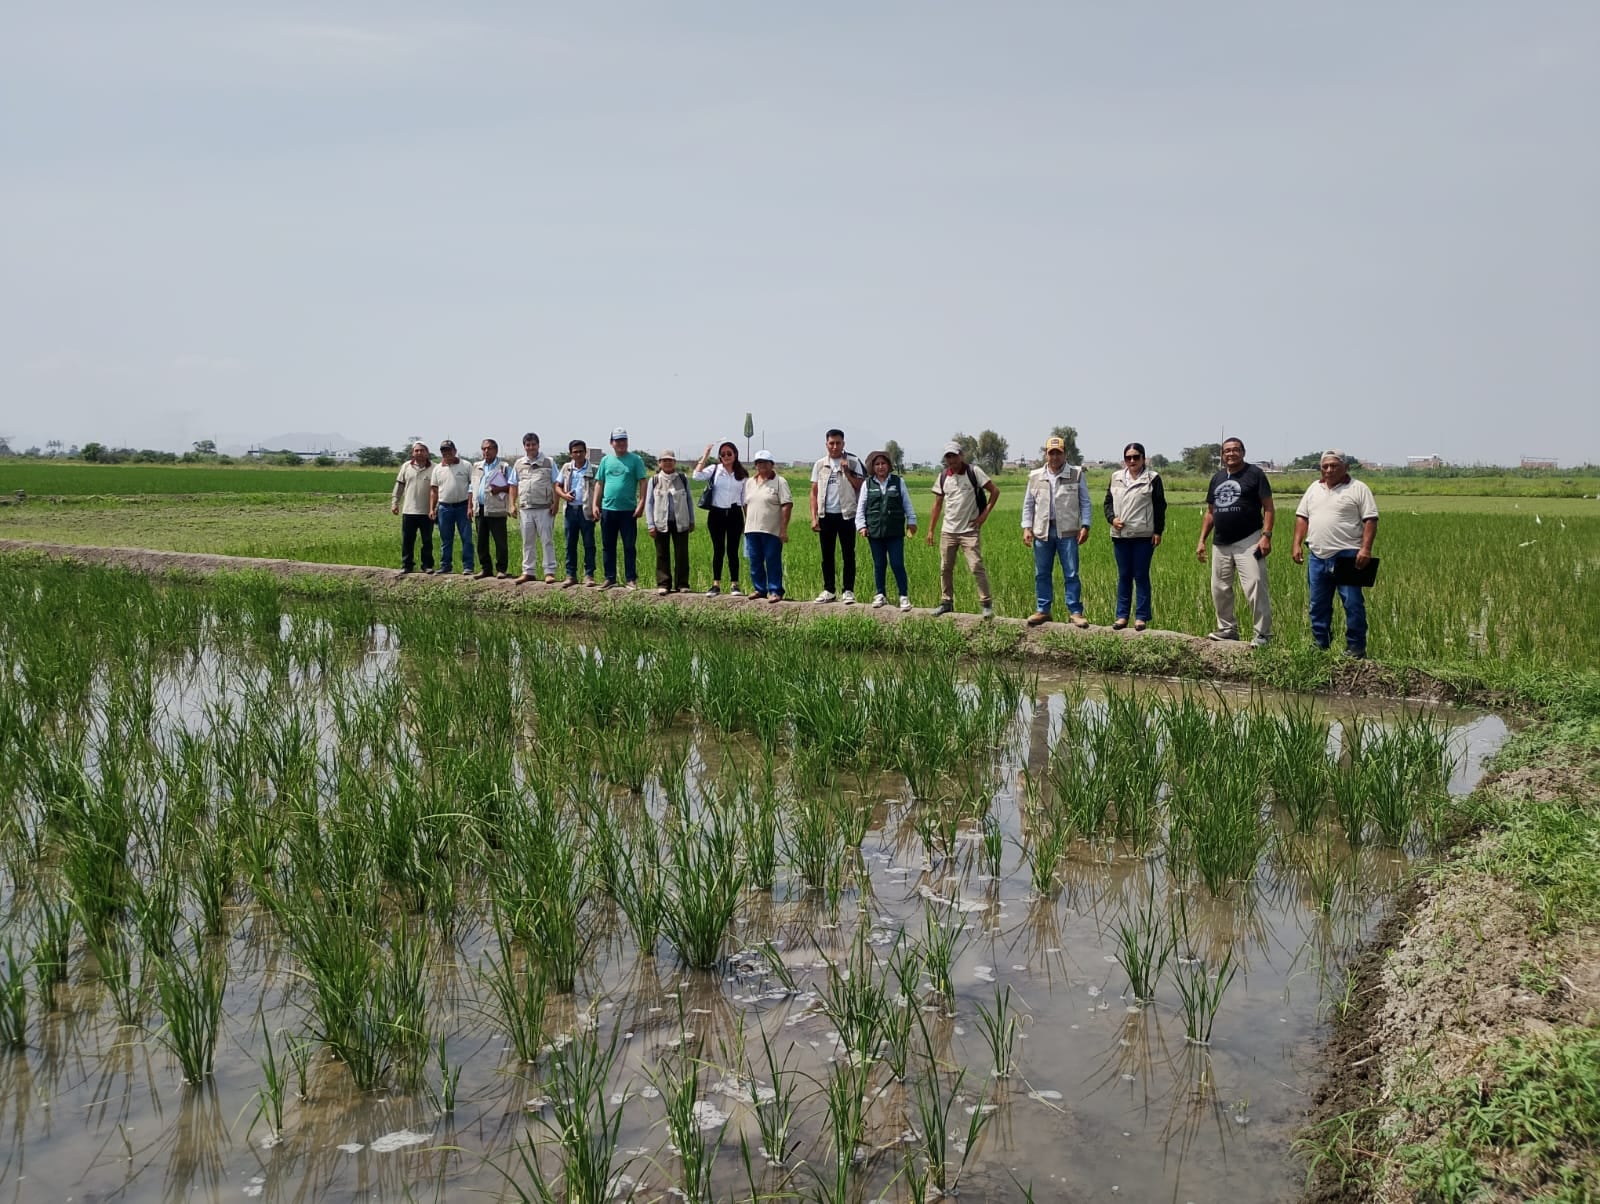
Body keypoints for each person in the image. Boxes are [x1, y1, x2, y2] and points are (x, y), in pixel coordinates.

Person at [1292, 450, 1379, 657]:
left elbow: (1370, 520)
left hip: (1348, 556)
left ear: (1345, 468)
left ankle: (1356, 647)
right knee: (1317, 604)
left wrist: (1365, 549)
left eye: (1334, 466)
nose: (1329, 470)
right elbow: (1302, 517)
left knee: (1352, 603)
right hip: (1317, 555)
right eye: (1325, 466)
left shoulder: (1358, 488)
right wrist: (1296, 544)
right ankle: (1320, 644)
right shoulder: (1314, 488)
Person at [1196, 437, 1274, 646]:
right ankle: (1227, 629)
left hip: (1249, 540)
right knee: (1219, 587)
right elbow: (1211, 513)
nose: (1231, 454)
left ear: (1243, 452)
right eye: (1227, 451)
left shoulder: (1255, 474)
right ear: (1222, 455)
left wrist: (1266, 536)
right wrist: (1202, 540)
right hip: (1220, 542)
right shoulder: (1218, 478)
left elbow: (1268, 507)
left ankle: (1263, 634)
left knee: (1255, 584)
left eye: (1235, 450)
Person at [1021, 436, 1092, 628]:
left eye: (1058, 453)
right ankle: (1043, 610)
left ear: (1065, 454)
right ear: (1046, 454)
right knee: (1042, 573)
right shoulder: (1035, 476)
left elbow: (1085, 502)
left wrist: (1085, 525)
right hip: (1042, 531)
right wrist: (1026, 527)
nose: (1054, 457)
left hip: (1067, 532)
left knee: (1071, 573)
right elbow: (1028, 504)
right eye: (1051, 453)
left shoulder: (1076, 474)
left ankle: (1075, 612)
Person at [927, 441, 1000, 618]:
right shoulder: (944, 476)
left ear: (961, 455)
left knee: (976, 565)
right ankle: (946, 602)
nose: (951, 460)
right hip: (948, 530)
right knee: (945, 567)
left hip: (969, 529)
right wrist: (930, 530)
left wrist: (984, 516)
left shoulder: (974, 472)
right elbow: (937, 505)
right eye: (948, 457)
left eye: (954, 455)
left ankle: (986, 604)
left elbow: (994, 491)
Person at [1104, 442, 1167, 630]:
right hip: (1120, 535)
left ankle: (1141, 617)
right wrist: (1112, 519)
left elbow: (1160, 506)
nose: (1132, 461)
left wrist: (1158, 531)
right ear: (1124, 460)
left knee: (1140, 575)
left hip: (1143, 535)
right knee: (1124, 575)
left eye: (1136, 457)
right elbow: (1107, 502)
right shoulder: (1116, 477)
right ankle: (1121, 616)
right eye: (1128, 457)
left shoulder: (1152, 478)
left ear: (1143, 459)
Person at [854, 449, 916, 610]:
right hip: (874, 531)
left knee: (897, 563)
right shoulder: (868, 484)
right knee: (879, 564)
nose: (880, 467)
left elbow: (907, 504)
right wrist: (861, 526)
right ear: (872, 467)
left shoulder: (898, 482)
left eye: (883, 463)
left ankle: (903, 596)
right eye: (877, 464)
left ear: (889, 466)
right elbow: (861, 507)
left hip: (894, 531)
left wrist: (912, 521)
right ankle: (880, 594)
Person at [809, 429, 866, 604]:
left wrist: (847, 472)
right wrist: (813, 516)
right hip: (826, 515)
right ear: (826, 444)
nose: (835, 446)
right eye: (831, 443)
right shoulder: (820, 464)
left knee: (848, 554)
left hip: (847, 515)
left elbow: (861, 487)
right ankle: (829, 590)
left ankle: (848, 590)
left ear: (843, 444)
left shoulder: (853, 462)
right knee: (827, 555)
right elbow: (814, 491)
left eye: (838, 443)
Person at [592, 428, 648, 590]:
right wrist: (596, 504)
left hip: (628, 510)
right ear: (612, 443)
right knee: (608, 545)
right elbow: (599, 483)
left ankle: (631, 579)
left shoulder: (635, 460)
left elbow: (643, 482)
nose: (621, 443)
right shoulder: (606, 461)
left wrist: (641, 503)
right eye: (618, 440)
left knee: (629, 545)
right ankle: (610, 578)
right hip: (608, 509)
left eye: (624, 440)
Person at [693, 441, 747, 597]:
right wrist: (706, 455)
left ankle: (735, 584)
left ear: (735, 454)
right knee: (718, 549)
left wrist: (747, 519)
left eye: (729, 453)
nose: (726, 457)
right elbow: (696, 476)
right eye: (722, 454)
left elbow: (744, 500)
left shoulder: (741, 474)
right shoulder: (715, 469)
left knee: (732, 550)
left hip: (735, 514)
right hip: (716, 514)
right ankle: (716, 584)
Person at [742, 450, 792, 603]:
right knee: (755, 560)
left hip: (772, 530)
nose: (761, 465)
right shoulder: (750, 482)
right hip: (752, 529)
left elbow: (787, 505)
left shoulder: (779, 481)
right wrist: (747, 523)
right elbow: (745, 505)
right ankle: (759, 589)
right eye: (758, 462)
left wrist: (783, 529)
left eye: (765, 462)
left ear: (772, 464)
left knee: (772, 560)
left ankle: (775, 590)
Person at [511, 432, 559, 584]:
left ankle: (549, 572)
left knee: (547, 540)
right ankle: (528, 571)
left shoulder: (549, 462)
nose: (531, 447)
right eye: (528, 445)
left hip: (544, 507)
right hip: (526, 508)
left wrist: (556, 503)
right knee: (527, 541)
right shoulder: (519, 464)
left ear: (538, 445)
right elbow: (513, 484)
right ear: (524, 446)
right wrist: (512, 504)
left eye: (533, 444)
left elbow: (556, 484)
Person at [645, 450, 695, 594]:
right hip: (661, 522)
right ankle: (664, 584)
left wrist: (691, 520)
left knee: (682, 554)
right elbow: (649, 503)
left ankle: (682, 584)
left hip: (681, 522)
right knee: (662, 554)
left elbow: (689, 500)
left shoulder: (682, 478)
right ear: (659, 463)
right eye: (664, 460)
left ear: (675, 462)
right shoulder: (654, 480)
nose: (667, 463)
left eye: (670, 460)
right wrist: (650, 524)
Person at [555, 438, 598, 587]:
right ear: (570, 454)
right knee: (570, 544)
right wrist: (564, 495)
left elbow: (599, 489)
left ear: (586, 453)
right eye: (575, 452)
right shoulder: (567, 468)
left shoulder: (593, 469)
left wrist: (596, 507)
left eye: (581, 451)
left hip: (586, 510)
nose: (578, 454)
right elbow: (557, 486)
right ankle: (570, 575)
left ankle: (589, 575)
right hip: (570, 510)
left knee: (589, 544)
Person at [429, 439, 475, 576]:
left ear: (455, 451)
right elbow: (434, 490)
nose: (447, 453)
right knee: (446, 539)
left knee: (466, 538)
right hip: (444, 508)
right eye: (444, 451)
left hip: (462, 506)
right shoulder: (437, 468)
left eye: (449, 450)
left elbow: (472, 487)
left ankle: (468, 566)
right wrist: (432, 508)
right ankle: (445, 565)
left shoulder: (466, 465)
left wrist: (470, 506)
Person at [470, 438, 514, 579]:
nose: (486, 451)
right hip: (480, 508)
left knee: (500, 541)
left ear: (496, 450)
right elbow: (472, 487)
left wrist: (500, 488)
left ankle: (501, 569)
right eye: (484, 449)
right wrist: (469, 506)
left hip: (496, 508)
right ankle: (485, 568)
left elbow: (513, 485)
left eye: (489, 448)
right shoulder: (477, 466)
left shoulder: (504, 466)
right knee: (481, 541)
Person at [391, 441, 435, 576]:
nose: (419, 453)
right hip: (409, 510)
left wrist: (435, 508)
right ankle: (407, 565)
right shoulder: (406, 467)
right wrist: (395, 502)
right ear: (412, 453)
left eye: (422, 450)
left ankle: (427, 565)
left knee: (427, 540)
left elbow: (437, 490)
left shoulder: (435, 468)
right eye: (416, 451)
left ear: (427, 453)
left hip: (426, 511)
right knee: (408, 540)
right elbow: (399, 486)